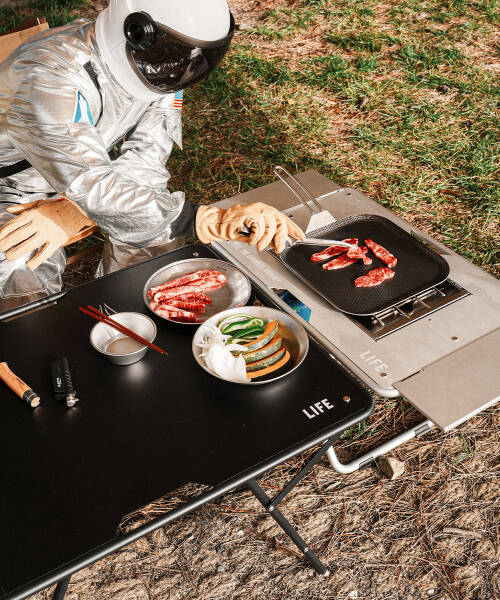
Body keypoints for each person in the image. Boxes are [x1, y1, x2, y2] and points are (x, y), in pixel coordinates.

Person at [0, 0, 304, 312]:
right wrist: (204, 220)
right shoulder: (50, 76)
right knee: (16, 266)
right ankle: (25, 332)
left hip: (87, 175)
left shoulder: (161, 68)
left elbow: (145, 161)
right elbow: (89, 184)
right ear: (136, 32)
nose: (183, 69)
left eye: (196, 58)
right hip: (12, 188)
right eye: (176, 55)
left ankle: (128, 318)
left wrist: (77, 211)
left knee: (156, 245)